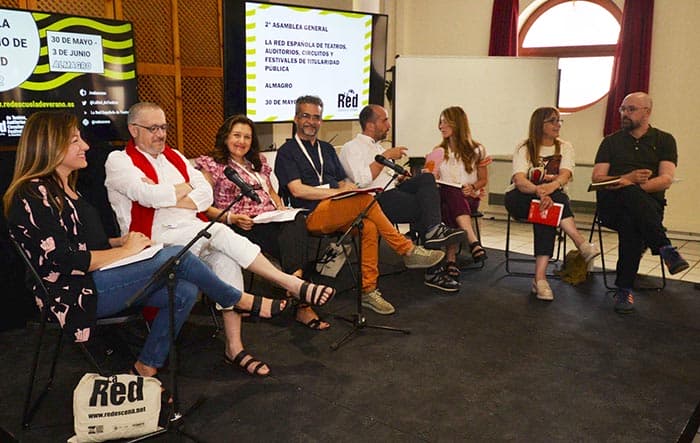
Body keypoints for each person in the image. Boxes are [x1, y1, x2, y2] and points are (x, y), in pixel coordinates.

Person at [4, 111, 285, 384]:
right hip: (70, 294)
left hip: (92, 278)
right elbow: (64, 260)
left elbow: (87, 245)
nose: (85, 146)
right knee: (176, 256)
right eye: (75, 140)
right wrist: (125, 252)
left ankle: (146, 366)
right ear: (51, 145)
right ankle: (240, 299)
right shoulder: (31, 194)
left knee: (184, 290)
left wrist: (121, 242)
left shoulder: (68, 190)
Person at [104, 102, 335, 377]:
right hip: (151, 241)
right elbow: (147, 197)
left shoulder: (174, 156)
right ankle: (286, 285)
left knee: (227, 258)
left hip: (190, 229)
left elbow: (204, 196)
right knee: (219, 231)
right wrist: (181, 192)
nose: (161, 134)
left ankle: (235, 347)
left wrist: (172, 194)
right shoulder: (118, 161)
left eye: (164, 127)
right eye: (153, 128)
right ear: (133, 129)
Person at [275, 95, 445, 315]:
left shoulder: (326, 149)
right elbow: (298, 190)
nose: (311, 121)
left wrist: (349, 187)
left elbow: (344, 179)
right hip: (311, 214)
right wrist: (338, 192)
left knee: (369, 226)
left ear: (321, 121)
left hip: (338, 207)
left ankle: (369, 290)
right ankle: (406, 249)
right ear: (296, 118)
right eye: (306, 116)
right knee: (366, 199)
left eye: (316, 117)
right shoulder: (287, 152)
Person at [195, 114, 329, 330]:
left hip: (268, 219)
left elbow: (272, 192)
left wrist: (281, 208)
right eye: (236, 135)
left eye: (247, 137)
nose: (242, 141)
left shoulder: (257, 163)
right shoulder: (212, 165)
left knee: (297, 222)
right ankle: (301, 300)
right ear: (225, 137)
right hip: (237, 224)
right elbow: (202, 206)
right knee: (297, 241)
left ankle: (295, 284)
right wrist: (232, 218)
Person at [339, 104, 464, 292]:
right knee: (426, 209)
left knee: (427, 179)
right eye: (384, 120)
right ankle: (434, 268)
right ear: (370, 125)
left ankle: (433, 232)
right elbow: (361, 181)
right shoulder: (351, 148)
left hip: (392, 192)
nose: (388, 125)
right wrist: (385, 156)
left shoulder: (377, 147)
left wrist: (398, 177)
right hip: (375, 200)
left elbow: (387, 177)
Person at [592, 91, 688, 314]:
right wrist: (628, 180)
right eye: (622, 110)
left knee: (632, 221)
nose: (624, 114)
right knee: (628, 201)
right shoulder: (611, 141)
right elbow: (597, 178)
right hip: (611, 206)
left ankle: (624, 288)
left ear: (647, 112)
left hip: (648, 208)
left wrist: (632, 186)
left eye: (631, 109)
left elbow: (666, 179)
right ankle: (664, 248)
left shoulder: (664, 140)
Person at [504, 107, 600, 301]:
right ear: (540, 124)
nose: (558, 125)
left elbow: (565, 174)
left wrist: (551, 187)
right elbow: (520, 181)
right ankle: (580, 243)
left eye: (559, 121)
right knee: (552, 205)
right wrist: (540, 191)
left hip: (551, 197)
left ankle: (540, 279)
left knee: (548, 211)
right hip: (521, 196)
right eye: (553, 121)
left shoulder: (565, 147)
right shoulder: (524, 147)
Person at [431, 106, 491, 277]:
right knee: (451, 192)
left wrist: (472, 187)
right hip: (447, 194)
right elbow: (431, 178)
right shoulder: (438, 151)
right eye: (440, 122)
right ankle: (473, 242)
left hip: (469, 197)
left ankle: (451, 259)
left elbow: (483, 179)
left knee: (449, 203)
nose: (441, 126)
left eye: (445, 122)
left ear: (457, 124)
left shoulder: (477, 149)